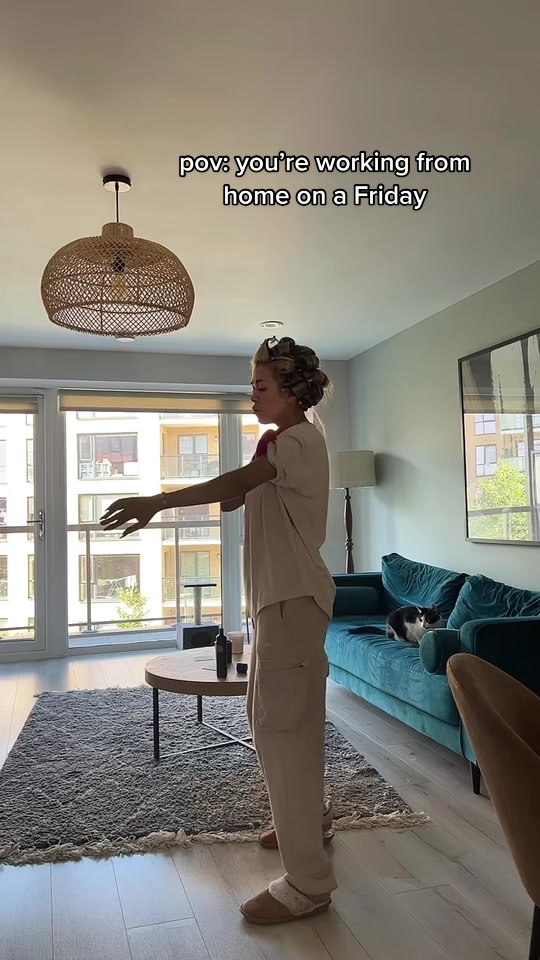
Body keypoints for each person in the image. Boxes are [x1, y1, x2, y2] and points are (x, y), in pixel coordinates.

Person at [100, 336, 337, 924]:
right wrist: (239, 477)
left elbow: (236, 485)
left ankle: (308, 883)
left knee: (280, 729)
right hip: (281, 604)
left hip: (292, 603)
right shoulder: (279, 446)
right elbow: (236, 498)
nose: (252, 396)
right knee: (279, 720)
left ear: (292, 392)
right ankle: (310, 820)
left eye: (261, 386)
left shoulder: (300, 441)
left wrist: (158, 501)